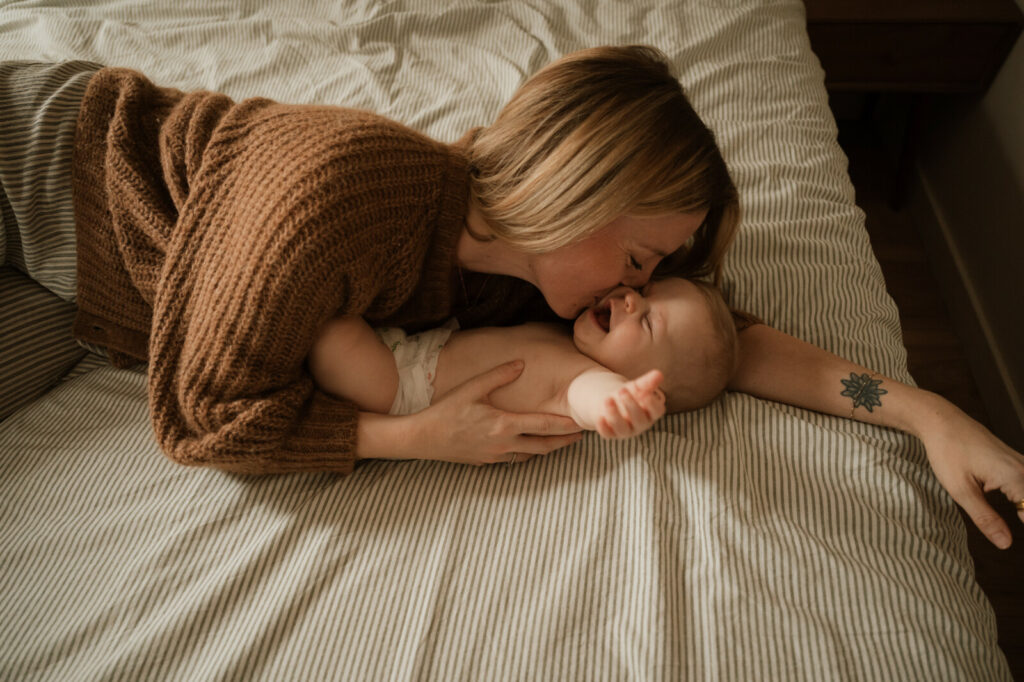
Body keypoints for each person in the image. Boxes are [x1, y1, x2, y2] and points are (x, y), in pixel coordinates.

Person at [1, 47, 1021, 550]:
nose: (641, 290)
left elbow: (732, 348)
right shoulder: (338, 192)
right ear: (586, 188)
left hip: (111, 301)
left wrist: (928, 414)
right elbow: (203, 417)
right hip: (47, 168)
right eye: (643, 255)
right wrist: (417, 436)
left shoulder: (521, 280)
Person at [309, 278, 737, 442]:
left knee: (324, 325)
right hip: (408, 346)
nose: (630, 298)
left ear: (647, 383)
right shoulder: (572, 332)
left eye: (646, 323)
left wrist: (622, 402)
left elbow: (593, 401)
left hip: (399, 389)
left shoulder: (586, 379)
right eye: (646, 291)